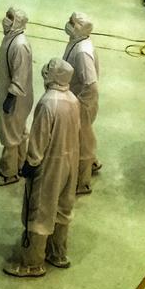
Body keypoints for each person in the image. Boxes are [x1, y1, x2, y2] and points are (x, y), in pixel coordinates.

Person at [3, 58, 81, 278]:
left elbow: (39, 138)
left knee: (40, 210)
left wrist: (30, 163)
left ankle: (32, 263)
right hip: (69, 163)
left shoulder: (48, 102)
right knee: (62, 207)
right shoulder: (73, 100)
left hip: (50, 165)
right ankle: (57, 252)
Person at [0, 6, 33, 186]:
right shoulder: (11, 38)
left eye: (9, 17)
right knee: (19, 132)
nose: (5, 19)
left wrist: (10, 97)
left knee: (9, 135)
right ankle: (21, 163)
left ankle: (8, 172)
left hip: (15, 99)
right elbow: (6, 68)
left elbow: (20, 76)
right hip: (8, 92)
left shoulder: (20, 45)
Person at [63, 11, 100, 194]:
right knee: (83, 137)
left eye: (72, 22)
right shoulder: (78, 42)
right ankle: (91, 162)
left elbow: (91, 86)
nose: (68, 24)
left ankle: (82, 182)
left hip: (82, 104)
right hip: (78, 100)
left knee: (82, 141)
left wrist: (78, 105)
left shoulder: (82, 52)